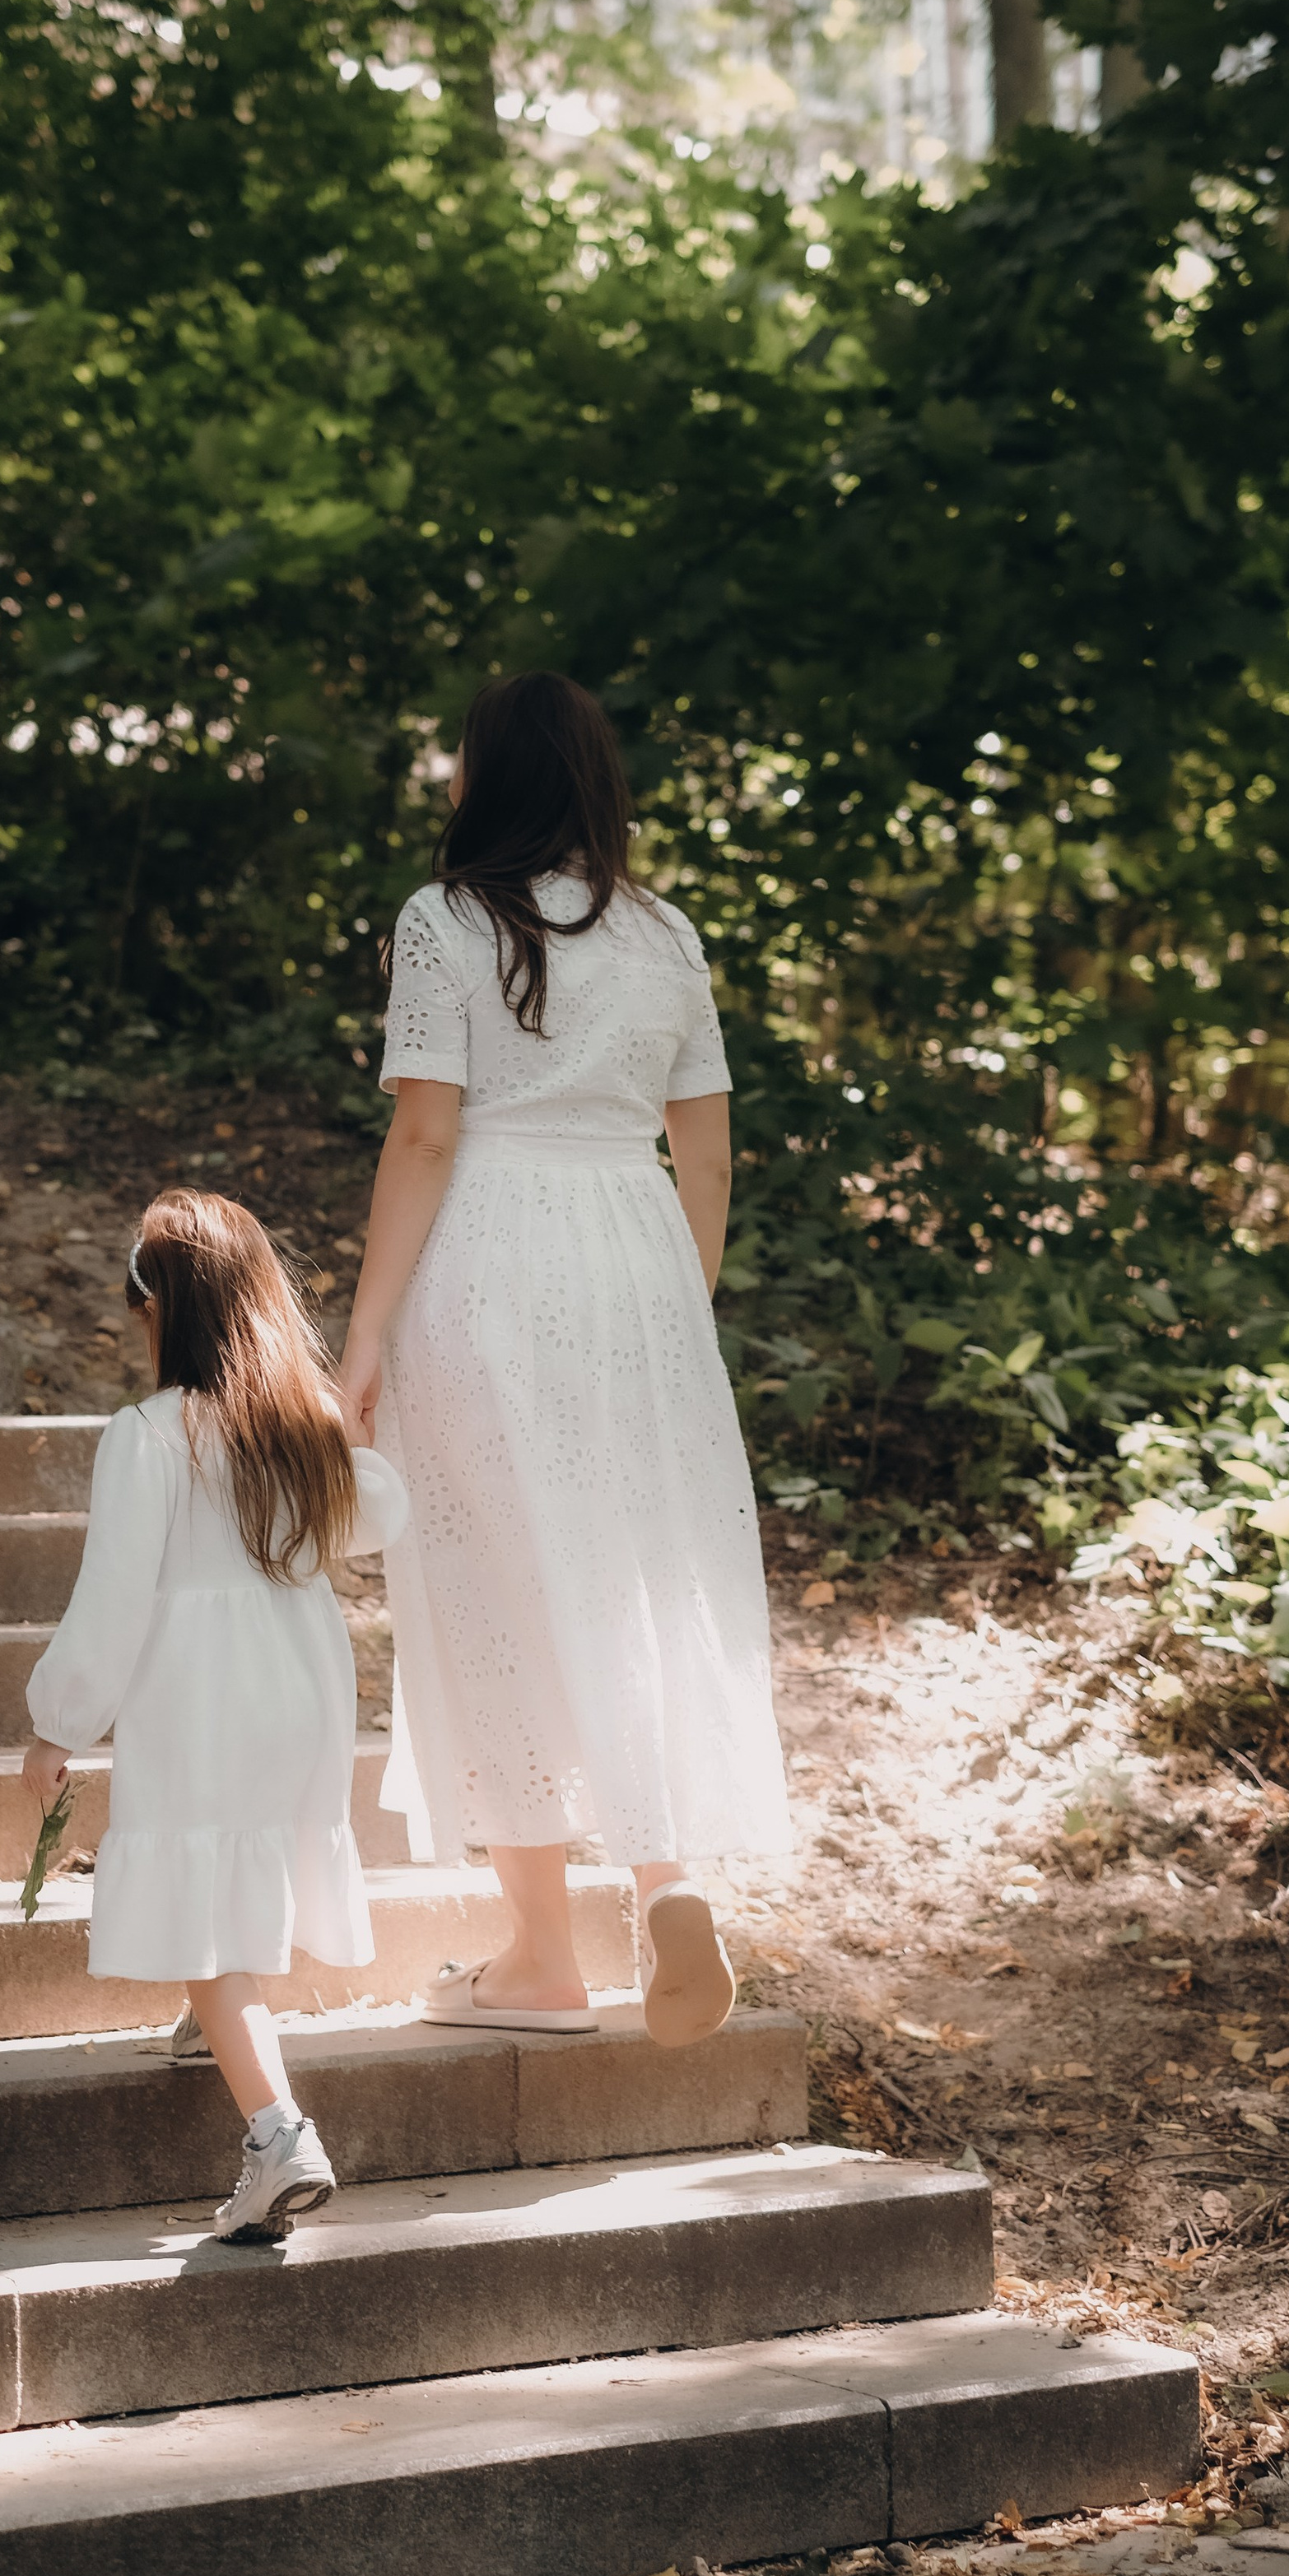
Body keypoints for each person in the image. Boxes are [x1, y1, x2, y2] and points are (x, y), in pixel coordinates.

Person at [337, 671, 790, 2048]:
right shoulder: (665, 933)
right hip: (637, 1257)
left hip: (488, 1253)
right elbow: (704, 1148)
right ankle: (663, 1879)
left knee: (488, 1583)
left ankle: (540, 1955)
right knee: (628, 1574)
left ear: (493, 776)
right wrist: (673, 1312)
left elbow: (425, 1135)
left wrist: (360, 1333)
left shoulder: (447, 919)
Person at [21, 1188, 407, 2241]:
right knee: (237, 1864)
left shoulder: (147, 1436)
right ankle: (212, 2022)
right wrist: (347, 1429)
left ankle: (277, 2134)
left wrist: (58, 1721)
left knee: (204, 1893)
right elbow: (373, 1520)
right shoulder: (298, 1429)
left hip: (202, 1691)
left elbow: (112, 1601)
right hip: (301, 1682)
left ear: (156, 1307)